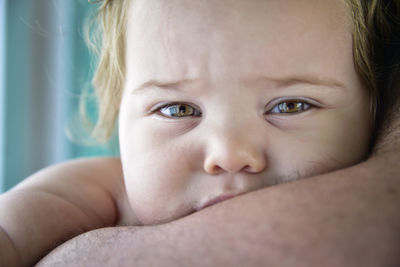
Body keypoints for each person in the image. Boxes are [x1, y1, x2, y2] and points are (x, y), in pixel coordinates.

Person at [1, 0, 399, 266]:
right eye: (178, 109)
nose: (228, 152)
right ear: (118, 110)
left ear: (377, 113)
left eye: (290, 106)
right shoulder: (102, 194)